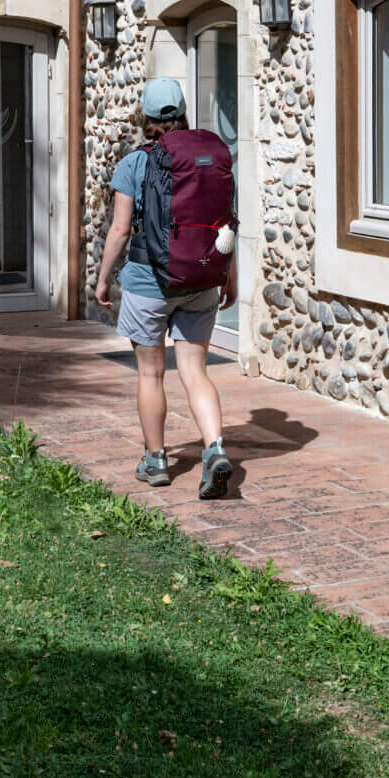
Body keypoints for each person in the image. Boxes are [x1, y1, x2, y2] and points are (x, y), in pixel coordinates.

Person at [94, 77, 236, 498]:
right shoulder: (208, 158)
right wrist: (227, 275)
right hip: (201, 279)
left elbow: (120, 230)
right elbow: (224, 224)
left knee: (151, 373)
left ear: (146, 117)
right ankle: (215, 449)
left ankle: (156, 460)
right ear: (183, 113)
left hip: (148, 282)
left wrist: (103, 278)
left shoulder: (134, 163)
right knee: (195, 372)